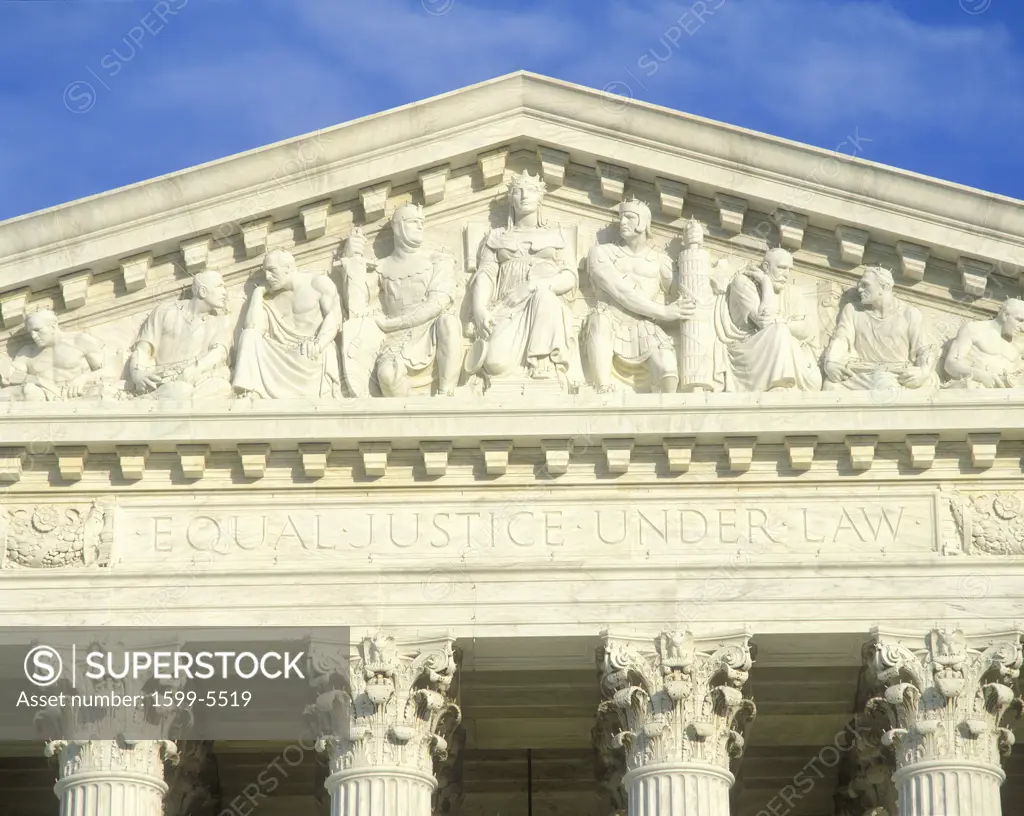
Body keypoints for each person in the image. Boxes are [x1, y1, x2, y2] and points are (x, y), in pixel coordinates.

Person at [467, 170, 583, 386]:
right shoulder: (496, 237)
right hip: (506, 308)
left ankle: (543, 366)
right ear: (511, 198)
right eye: (518, 191)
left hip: (546, 309)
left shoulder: (558, 236)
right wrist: (479, 308)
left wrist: (533, 286)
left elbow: (569, 277)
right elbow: (486, 274)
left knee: (544, 297)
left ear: (541, 196)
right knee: (495, 363)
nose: (523, 196)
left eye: (530, 191)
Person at [339, 204, 462, 396]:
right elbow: (357, 308)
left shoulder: (437, 259)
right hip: (397, 338)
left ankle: (446, 394)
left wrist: (392, 323)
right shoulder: (381, 267)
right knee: (387, 375)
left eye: (422, 222)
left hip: (430, 330)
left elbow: (439, 301)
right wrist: (353, 258)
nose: (420, 226)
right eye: (413, 222)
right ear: (397, 227)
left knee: (450, 322)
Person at [583, 198, 693, 393]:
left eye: (629, 217)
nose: (623, 222)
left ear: (643, 222)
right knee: (599, 319)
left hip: (644, 326)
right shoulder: (601, 253)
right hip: (610, 321)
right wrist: (663, 311)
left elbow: (686, 294)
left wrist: (708, 275)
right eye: (621, 217)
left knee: (669, 372)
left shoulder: (661, 262)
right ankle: (602, 390)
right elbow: (619, 290)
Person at [232, 249, 343, 399]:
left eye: (271, 270)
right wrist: (258, 293)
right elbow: (253, 327)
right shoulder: (268, 297)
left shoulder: (318, 283)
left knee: (312, 353)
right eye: (265, 272)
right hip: (278, 354)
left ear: (288, 267)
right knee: (248, 335)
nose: (267, 277)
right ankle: (250, 392)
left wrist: (318, 344)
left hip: (308, 353)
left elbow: (334, 317)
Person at [712, 247, 822, 392]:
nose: (787, 274)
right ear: (766, 267)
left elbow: (805, 329)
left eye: (790, 269)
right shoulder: (743, 282)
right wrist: (766, 284)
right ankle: (778, 384)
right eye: (782, 268)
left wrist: (780, 322)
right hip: (747, 350)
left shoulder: (791, 291)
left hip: (786, 349)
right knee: (778, 330)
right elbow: (763, 320)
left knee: (814, 382)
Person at [823, 266, 938, 391]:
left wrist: (923, 372)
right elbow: (842, 339)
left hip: (896, 375)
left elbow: (925, 349)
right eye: (859, 285)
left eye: (865, 285)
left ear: (884, 287)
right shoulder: (852, 310)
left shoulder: (910, 314)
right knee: (831, 386)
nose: (859, 289)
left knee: (884, 386)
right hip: (861, 374)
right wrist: (831, 362)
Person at [127, 270, 234, 400]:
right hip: (164, 379)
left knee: (221, 387)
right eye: (220, 286)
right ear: (203, 291)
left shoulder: (221, 322)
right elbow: (143, 349)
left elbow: (219, 353)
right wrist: (137, 373)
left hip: (199, 380)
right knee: (178, 390)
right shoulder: (165, 311)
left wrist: (193, 371)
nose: (225, 292)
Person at [0, 310, 108, 401]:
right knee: (26, 391)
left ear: (53, 326)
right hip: (40, 401)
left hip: (77, 398)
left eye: (37, 330)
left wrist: (84, 378)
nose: (33, 336)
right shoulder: (28, 352)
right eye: (31, 332)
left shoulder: (80, 341)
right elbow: (12, 374)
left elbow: (108, 371)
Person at [944, 298, 1024, 388]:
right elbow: (950, 364)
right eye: (1019, 320)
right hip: (975, 392)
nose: (1022, 328)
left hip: (1010, 397)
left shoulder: (1019, 344)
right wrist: (981, 376)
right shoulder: (974, 329)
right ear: (1005, 315)